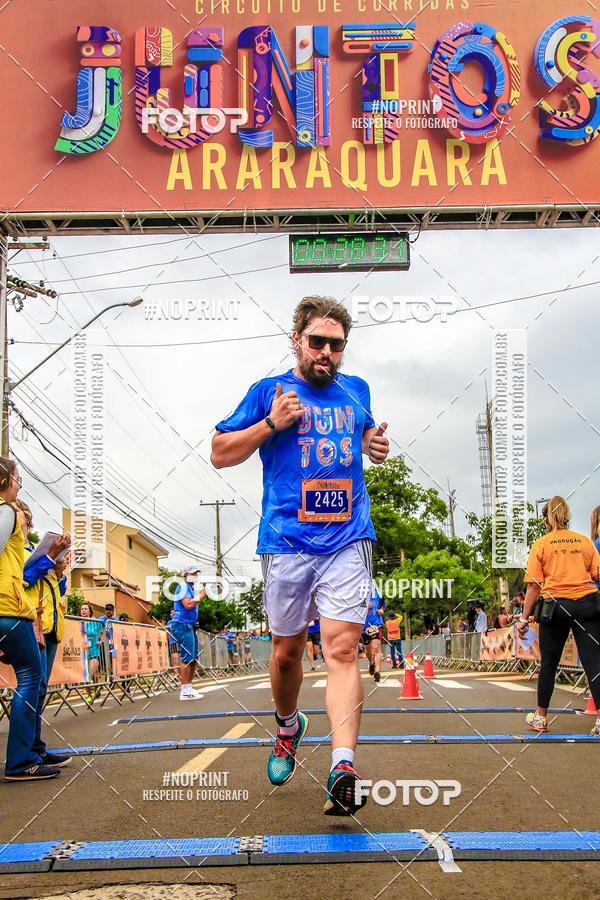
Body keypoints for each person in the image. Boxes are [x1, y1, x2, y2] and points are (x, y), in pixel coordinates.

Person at [211, 295, 389, 815]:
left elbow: (366, 437)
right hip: (287, 541)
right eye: (317, 342)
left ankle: (343, 766)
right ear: (297, 340)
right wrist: (271, 424)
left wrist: (374, 446)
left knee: (342, 650)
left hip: (347, 538)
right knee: (287, 653)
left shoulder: (357, 390)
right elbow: (220, 453)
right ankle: (288, 726)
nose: (326, 352)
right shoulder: (268, 391)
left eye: (336, 345)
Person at [0, 459, 61, 780]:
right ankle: (21, 761)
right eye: (17, 478)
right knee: (30, 679)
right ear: (5, 480)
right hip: (9, 611)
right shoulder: (6, 510)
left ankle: (29, 753)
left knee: (32, 680)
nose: (19, 485)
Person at [518, 496, 600, 736]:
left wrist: (524, 618)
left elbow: (534, 586)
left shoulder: (541, 544)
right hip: (587, 606)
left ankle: (540, 717)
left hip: (555, 608)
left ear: (546, 520)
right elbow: (598, 575)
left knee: (549, 663)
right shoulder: (584, 541)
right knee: (594, 663)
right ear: (567, 516)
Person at [18, 503, 71, 768]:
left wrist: (59, 572)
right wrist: (49, 558)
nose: (28, 526)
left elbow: (54, 589)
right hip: (31, 624)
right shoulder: (15, 550)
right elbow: (24, 579)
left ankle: (35, 748)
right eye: (25, 521)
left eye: (29, 521)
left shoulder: (32, 549)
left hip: (49, 626)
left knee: (39, 690)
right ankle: (27, 753)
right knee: (31, 688)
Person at [170, 567, 206, 700]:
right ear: (185, 575)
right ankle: (185, 691)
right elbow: (188, 605)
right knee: (186, 658)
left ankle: (188, 688)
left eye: (197, 573)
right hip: (182, 624)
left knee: (193, 657)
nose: (196, 575)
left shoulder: (190, 589)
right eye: (193, 573)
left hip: (189, 626)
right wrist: (201, 595)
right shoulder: (183, 586)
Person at [79, 602, 103, 701]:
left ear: (90, 611)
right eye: (82, 609)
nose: (83, 611)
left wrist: (100, 640)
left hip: (94, 650)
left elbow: (102, 633)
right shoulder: (78, 623)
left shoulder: (95, 622)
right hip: (83, 652)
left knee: (93, 672)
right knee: (85, 675)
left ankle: (96, 686)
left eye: (85, 609)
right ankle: (89, 695)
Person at [361, 587, 385, 683]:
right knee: (367, 650)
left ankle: (377, 672)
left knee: (376, 647)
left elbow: (382, 602)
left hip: (375, 625)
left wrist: (382, 609)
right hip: (364, 627)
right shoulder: (357, 595)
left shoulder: (376, 593)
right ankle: (371, 663)